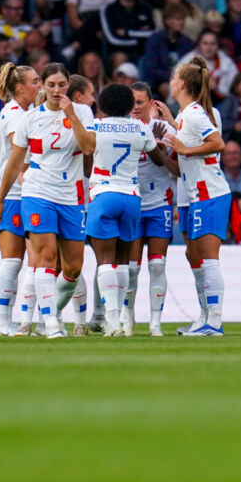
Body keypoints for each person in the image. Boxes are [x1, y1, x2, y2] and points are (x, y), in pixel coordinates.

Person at [0, 63, 94, 339]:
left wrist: (71, 114)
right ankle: (49, 324)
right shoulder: (30, 119)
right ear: (44, 87)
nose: (56, 90)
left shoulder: (83, 112)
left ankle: (49, 313)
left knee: (73, 266)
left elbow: (89, 147)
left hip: (72, 196)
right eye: (50, 85)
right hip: (38, 193)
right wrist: (1, 199)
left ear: (68, 86)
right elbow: (15, 163)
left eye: (62, 85)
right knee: (45, 257)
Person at [77, 83, 169, 336]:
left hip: (104, 195)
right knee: (124, 263)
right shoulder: (140, 127)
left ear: (103, 106)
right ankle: (123, 321)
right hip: (132, 197)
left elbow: (86, 166)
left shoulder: (95, 126)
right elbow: (159, 160)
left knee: (105, 262)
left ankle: (114, 322)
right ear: (130, 106)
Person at [158, 56, 229, 336]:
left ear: (183, 83)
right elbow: (180, 165)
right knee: (194, 255)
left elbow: (217, 144)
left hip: (209, 193)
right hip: (191, 195)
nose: (171, 82)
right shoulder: (187, 115)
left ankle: (215, 320)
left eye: (174, 78)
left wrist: (184, 149)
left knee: (207, 257)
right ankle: (204, 317)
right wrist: (165, 149)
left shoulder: (197, 114)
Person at [114, 82, 177, 335]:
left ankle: (155, 323)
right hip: (132, 204)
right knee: (131, 268)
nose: (135, 108)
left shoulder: (165, 130)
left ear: (152, 104)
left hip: (159, 203)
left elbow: (181, 171)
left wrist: (163, 154)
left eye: (140, 102)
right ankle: (128, 318)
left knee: (158, 265)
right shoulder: (120, 129)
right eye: (132, 103)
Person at [0, 63, 40, 336]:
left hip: (18, 193)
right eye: (35, 81)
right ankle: (2, 322)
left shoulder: (23, 113)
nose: (40, 86)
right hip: (9, 194)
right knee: (13, 260)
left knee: (30, 260)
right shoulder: (16, 115)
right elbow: (20, 159)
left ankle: (25, 319)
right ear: (20, 88)